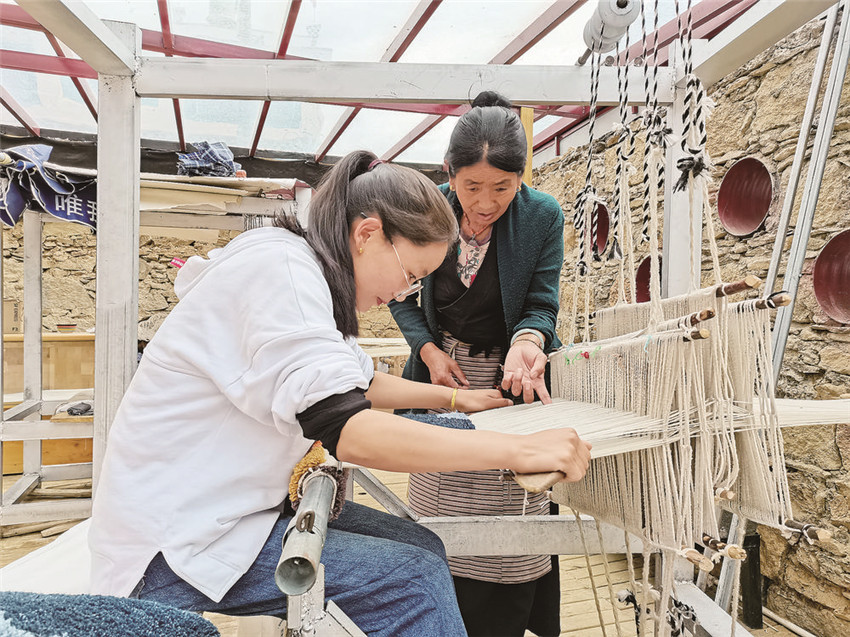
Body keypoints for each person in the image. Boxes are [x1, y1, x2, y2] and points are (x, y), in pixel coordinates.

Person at [88, 150, 590, 637]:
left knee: (425, 548)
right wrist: (518, 449)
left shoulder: (307, 271)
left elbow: (361, 381)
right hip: (174, 541)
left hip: (226, 512)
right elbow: (348, 428)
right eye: (410, 276)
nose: (402, 295)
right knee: (413, 580)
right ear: (367, 234)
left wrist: (458, 400)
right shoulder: (281, 275)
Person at [389, 91, 567, 637]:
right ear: (449, 172)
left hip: (511, 377)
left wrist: (528, 341)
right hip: (443, 374)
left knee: (509, 508)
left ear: (521, 177)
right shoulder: (425, 210)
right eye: (471, 187)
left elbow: (541, 302)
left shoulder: (542, 217)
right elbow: (399, 292)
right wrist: (428, 351)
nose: (485, 202)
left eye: (502, 188)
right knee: (440, 499)